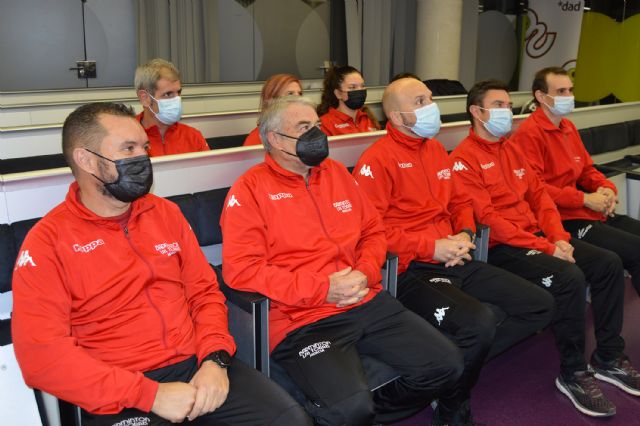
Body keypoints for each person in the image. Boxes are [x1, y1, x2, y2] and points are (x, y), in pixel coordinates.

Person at [11, 102, 312, 426]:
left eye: (144, 148)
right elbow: (41, 357)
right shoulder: (47, 242)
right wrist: (149, 395)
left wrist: (214, 358)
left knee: (290, 419)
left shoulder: (164, 214)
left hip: (196, 364)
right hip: (118, 389)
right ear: (86, 160)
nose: (143, 159)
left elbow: (204, 294)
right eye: (128, 149)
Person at [221, 96, 468, 425]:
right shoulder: (250, 189)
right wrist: (322, 288)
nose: (317, 134)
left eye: (318, 126)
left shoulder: (336, 173)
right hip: (302, 318)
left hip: (364, 298)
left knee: (448, 365)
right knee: (351, 409)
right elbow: (242, 270)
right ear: (276, 139)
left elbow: (373, 232)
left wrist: (365, 273)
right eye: (304, 127)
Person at [353, 77, 554, 424]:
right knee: (479, 322)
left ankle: (454, 376)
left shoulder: (434, 150)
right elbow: (372, 233)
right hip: (411, 269)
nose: (432, 106)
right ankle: (453, 404)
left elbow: (460, 202)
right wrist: (431, 246)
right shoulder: (377, 161)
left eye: (429, 98)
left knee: (539, 305)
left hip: (455, 256)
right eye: (420, 101)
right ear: (398, 117)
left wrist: (464, 232)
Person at [449, 79, 640, 418]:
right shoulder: (464, 159)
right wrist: (546, 246)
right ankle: (574, 373)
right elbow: (489, 220)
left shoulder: (511, 148)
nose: (506, 112)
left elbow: (540, 198)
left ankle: (609, 356)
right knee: (569, 277)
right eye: (497, 105)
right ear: (476, 113)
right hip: (502, 247)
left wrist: (559, 238)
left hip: (538, 237)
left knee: (608, 264)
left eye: (508, 105)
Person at [512, 66, 640, 296]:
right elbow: (536, 189)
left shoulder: (567, 126)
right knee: (630, 253)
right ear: (541, 96)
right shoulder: (528, 134)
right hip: (564, 219)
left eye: (570, 90)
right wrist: (584, 198)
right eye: (561, 91)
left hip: (589, 210)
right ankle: (609, 332)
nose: (568, 97)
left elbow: (586, 170)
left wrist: (606, 188)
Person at [135, 58, 209, 156]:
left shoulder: (193, 137)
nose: (177, 99)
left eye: (178, 92)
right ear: (145, 98)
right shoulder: (126, 138)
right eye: (168, 94)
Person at [317, 65, 381, 136]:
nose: (359, 90)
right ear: (338, 93)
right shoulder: (325, 124)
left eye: (362, 86)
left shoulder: (369, 118)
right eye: (352, 87)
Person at [243, 73, 303, 146]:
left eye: (300, 94)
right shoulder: (257, 138)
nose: (299, 99)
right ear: (273, 100)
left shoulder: (305, 130)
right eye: (290, 94)